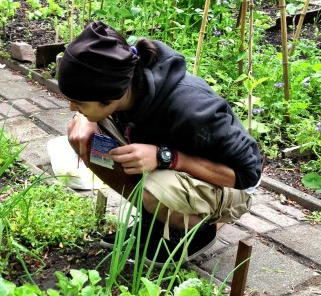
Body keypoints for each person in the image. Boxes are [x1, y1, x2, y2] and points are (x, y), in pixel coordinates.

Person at [57, 21, 262, 265]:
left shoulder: (192, 109)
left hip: (229, 184)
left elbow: (248, 174)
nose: (71, 107)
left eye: (78, 102)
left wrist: (167, 157)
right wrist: (83, 116)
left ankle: (195, 232)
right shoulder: (123, 69)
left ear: (113, 94)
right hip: (168, 160)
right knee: (82, 136)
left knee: (152, 189)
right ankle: (153, 220)